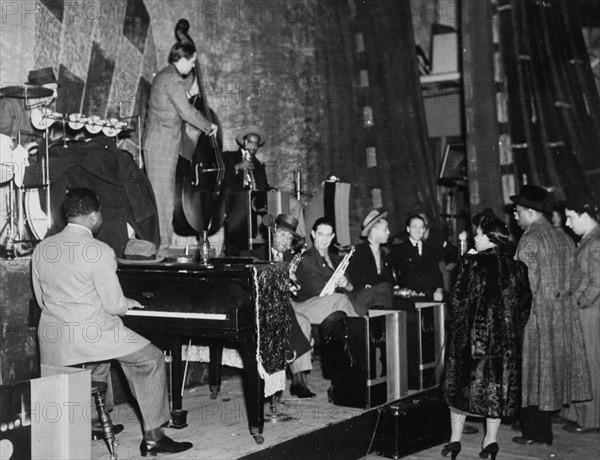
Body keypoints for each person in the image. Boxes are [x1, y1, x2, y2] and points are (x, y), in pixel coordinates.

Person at [31, 188, 193, 456]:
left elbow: (41, 300)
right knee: (150, 359)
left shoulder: (42, 248)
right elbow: (114, 306)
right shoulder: (99, 250)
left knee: (100, 359)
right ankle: (154, 436)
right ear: (94, 216)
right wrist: (125, 302)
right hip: (91, 335)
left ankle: (94, 422)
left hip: (53, 339)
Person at [441, 211, 532, 460]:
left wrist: (457, 332)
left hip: (471, 343)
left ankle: (454, 441)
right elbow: (525, 308)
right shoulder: (518, 269)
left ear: (490, 239)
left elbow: (457, 303)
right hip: (504, 346)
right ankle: (490, 441)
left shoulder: (472, 264)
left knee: (460, 390)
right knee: (495, 393)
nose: (475, 237)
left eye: (478, 234)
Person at [510, 184, 592, 446]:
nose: (515, 215)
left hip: (535, 318)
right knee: (548, 374)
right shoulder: (564, 237)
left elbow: (522, 285)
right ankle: (543, 434)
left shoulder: (530, 239)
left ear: (532, 213)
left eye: (518, 211)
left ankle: (534, 433)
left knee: (530, 374)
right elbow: (577, 276)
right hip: (561, 316)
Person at [143, 40, 218, 256]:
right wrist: (207, 125)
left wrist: (190, 92)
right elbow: (185, 112)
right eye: (192, 61)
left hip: (162, 145)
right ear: (183, 58)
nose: (194, 66)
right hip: (161, 146)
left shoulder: (167, 77)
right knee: (162, 202)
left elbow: (174, 104)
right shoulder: (173, 79)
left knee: (164, 200)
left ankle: (161, 250)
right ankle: (160, 251)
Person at [562, 195, 600, 433]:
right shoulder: (589, 239)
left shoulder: (596, 242)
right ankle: (580, 414)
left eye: (570, 217)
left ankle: (591, 420)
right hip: (583, 310)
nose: (567, 223)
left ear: (585, 216)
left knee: (590, 364)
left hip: (589, 312)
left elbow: (597, 282)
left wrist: (579, 302)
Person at [270, 213, 315, 398]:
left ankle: (299, 380)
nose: (285, 240)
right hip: (269, 305)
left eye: (289, 238)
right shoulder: (258, 254)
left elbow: (302, 288)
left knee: (303, 321)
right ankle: (298, 380)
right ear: (272, 234)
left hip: (288, 302)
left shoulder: (291, 257)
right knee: (299, 322)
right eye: (282, 235)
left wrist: (295, 283)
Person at [292, 217, 358, 325]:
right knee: (341, 300)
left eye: (328, 235)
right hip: (309, 306)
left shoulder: (336, 259)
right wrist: (337, 285)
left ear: (332, 236)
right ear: (313, 234)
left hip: (335, 302)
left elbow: (351, 288)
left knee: (346, 302)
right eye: (320, 235)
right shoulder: (306, 259)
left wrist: (346, 284)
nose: (324, 240)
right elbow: (316, 289)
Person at [346, 209, 394, 312]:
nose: (389, 232)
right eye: (385, 229)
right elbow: (356, 282)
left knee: (384, 292)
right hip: (361, 297)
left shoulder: (384, 254)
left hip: (379, 297)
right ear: (374, 230)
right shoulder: (358, 251)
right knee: (385, 289)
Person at [389, 214, 444, 300]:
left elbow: (437, 273)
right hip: (408, 296)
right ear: (408, 229)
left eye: (421, 227)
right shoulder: (399, 249)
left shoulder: (430, 250)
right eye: (414, 227)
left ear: (424, 230)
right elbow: (387, 267)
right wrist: (395, 287)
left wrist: (439, 289)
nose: (418, 230)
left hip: (429, 295)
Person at [223, 126, 270, 192]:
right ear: (243, 142)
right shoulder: (228, 157)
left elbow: (265, 187)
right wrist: (237, 167)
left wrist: (271, 191)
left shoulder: (259, 165)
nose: (253, 147)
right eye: (250, 142)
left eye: (256, 143)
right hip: (234, 200)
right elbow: (220, 178)